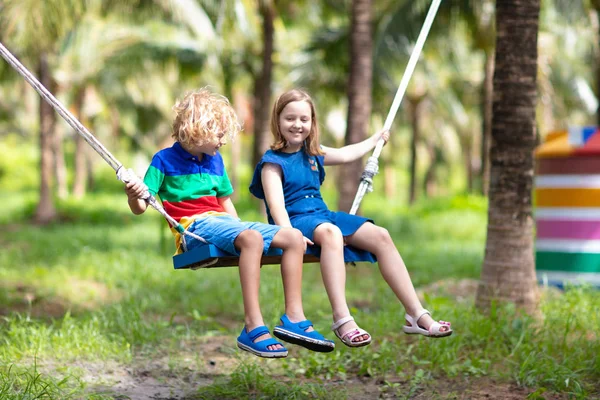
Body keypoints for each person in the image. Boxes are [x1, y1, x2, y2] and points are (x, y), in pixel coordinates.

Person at [124, 88, 335, 358]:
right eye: (219, 134)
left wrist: (239, 228)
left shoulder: (215, 160)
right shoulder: (163, 160)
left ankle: (294, 318)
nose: (223, 141)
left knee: (292, 237)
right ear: (197, 129)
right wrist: (134, 194)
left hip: (223, 223)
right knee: (252, 238)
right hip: (194, 228)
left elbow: (225, 202)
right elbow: (141, 207)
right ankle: (253, 327)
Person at [249, 88, 452, 347]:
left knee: (381, 235)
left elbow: (346, 154)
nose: (297, 125)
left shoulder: (313, 153)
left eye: (304, 119)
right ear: (277, 121)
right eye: (290, 118)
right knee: (332, 233)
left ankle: (415, 313)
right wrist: (292, 235)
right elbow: (277, 208)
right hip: (295, 222)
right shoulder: (272, 163)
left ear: (312, 122)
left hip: (322, 215)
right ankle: (342, 318)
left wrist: (375, 140)